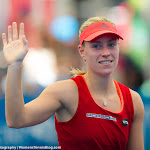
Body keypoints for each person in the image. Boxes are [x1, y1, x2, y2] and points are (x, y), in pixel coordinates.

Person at [2, 17, 144, 150]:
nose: (106, 52)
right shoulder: (65, 91)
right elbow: (16, 119)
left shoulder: (133, 100)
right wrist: (15, 65)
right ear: (82, 52)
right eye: (96, 46)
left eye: (111, 44)